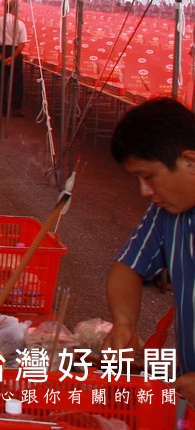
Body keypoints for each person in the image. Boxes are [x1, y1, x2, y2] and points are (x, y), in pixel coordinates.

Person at [107, 98, 195, 402]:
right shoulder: (169, 211)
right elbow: (128, 267)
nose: (145, 191)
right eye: (138, 179)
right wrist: (124, 321)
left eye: (149, 176)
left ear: (190, 162)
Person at [0, 0, 28, 117]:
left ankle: (3, 108)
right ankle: (16, 108)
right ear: (16, 10)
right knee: (17, 81)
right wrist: (12, 57)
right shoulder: (19, 24)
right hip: (14, 52)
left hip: (1, 50)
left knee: (2, 81)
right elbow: (22, 44)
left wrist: (0, 56)